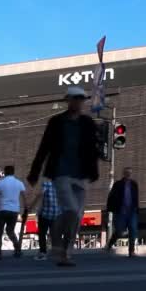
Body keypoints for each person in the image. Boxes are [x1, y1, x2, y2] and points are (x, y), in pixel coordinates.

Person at [27, 86, 100, 267]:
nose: (78, 102)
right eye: (75, 98)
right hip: (61, 173)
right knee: (72, 211)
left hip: (81, 175)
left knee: (77, 215)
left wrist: (94, 170)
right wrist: (35, 172)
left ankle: (64, 252)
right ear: (67, 100)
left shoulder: (88, 123)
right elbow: (44, 147)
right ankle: (59, 247)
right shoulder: (56, 122)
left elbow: (93, 149)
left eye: (81, 99)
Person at [0, 166, 27, 260]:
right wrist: (26, 208)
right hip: (14, 210)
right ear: (13, 172)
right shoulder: (19, 183)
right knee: (10, 230)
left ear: (5, 172)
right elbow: (24, 197)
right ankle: (17, 249)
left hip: (1, 209)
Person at [105, 167, 139, 257]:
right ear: (123, 174)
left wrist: (136, 208)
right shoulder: (118, 184)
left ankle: (131, 251)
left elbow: (136, 198)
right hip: (120, 212)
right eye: (127, 173)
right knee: (119, 231)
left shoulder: (134, 184)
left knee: (133, 230)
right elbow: (111, 196)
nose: (128, 174)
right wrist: (110, 209)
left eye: (130, 173)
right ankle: (110, 244)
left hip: (131, 211)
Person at [29, 180, 60, 261]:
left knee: (42, 233)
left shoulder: (46, 183)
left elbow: (40, 194)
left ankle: (43, 252)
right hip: (56, 213)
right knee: (55, 234)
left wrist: (32, 206)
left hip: (46, 213)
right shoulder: (59, 184)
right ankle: (56, 251)